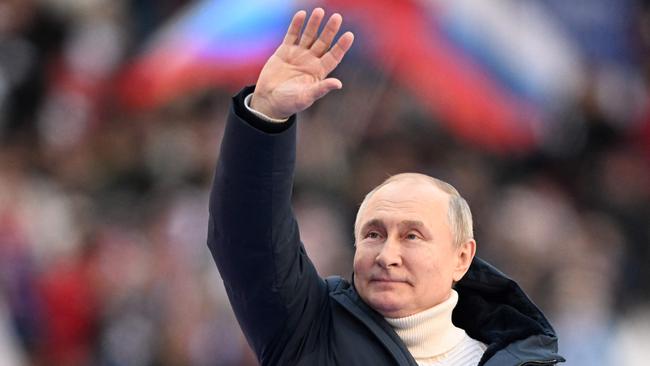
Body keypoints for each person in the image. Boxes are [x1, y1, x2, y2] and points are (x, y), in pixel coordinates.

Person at [207, 8, 564, 366]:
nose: (386, 256)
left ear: (462, 258)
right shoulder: (307, 329)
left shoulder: (522, 361)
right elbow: (248, 240)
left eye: (412, 236)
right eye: (373, 234)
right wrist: (266, 114)